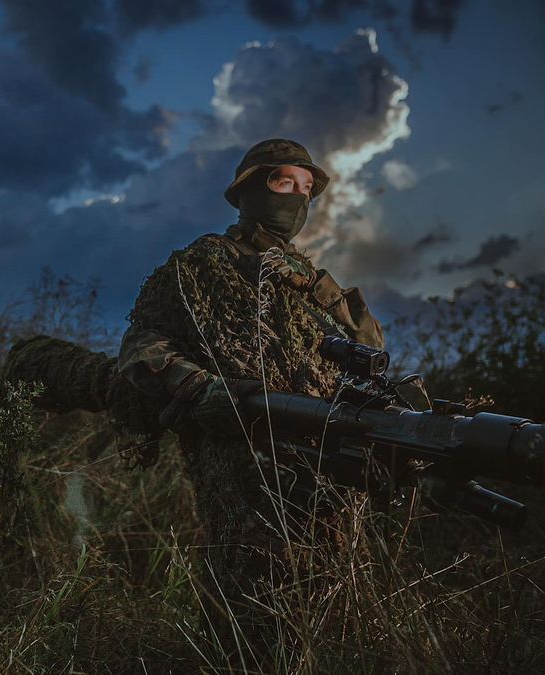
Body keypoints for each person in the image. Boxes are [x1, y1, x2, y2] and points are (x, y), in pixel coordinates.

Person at [116, 138, 387, 655]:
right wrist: (200, 391)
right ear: (246, 192)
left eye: (307, 190)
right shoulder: (200, 266)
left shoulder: (309, 282)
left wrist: (318, 289)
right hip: (240, 456)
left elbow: (370, 345)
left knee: (326, 596)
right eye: (284, 183)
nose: (297, 199)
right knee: (247, 597)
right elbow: (142, 348)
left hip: (323, 456)